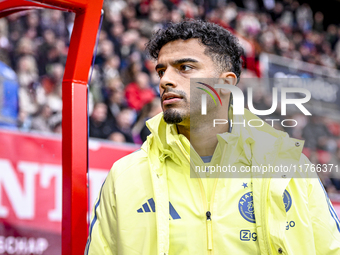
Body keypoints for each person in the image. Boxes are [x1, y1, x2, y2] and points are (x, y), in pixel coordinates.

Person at [85, 20, 340, 255]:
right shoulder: (124, 175)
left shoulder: (290, 169)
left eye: (185, 68)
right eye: (161, 71)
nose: (165, 81)